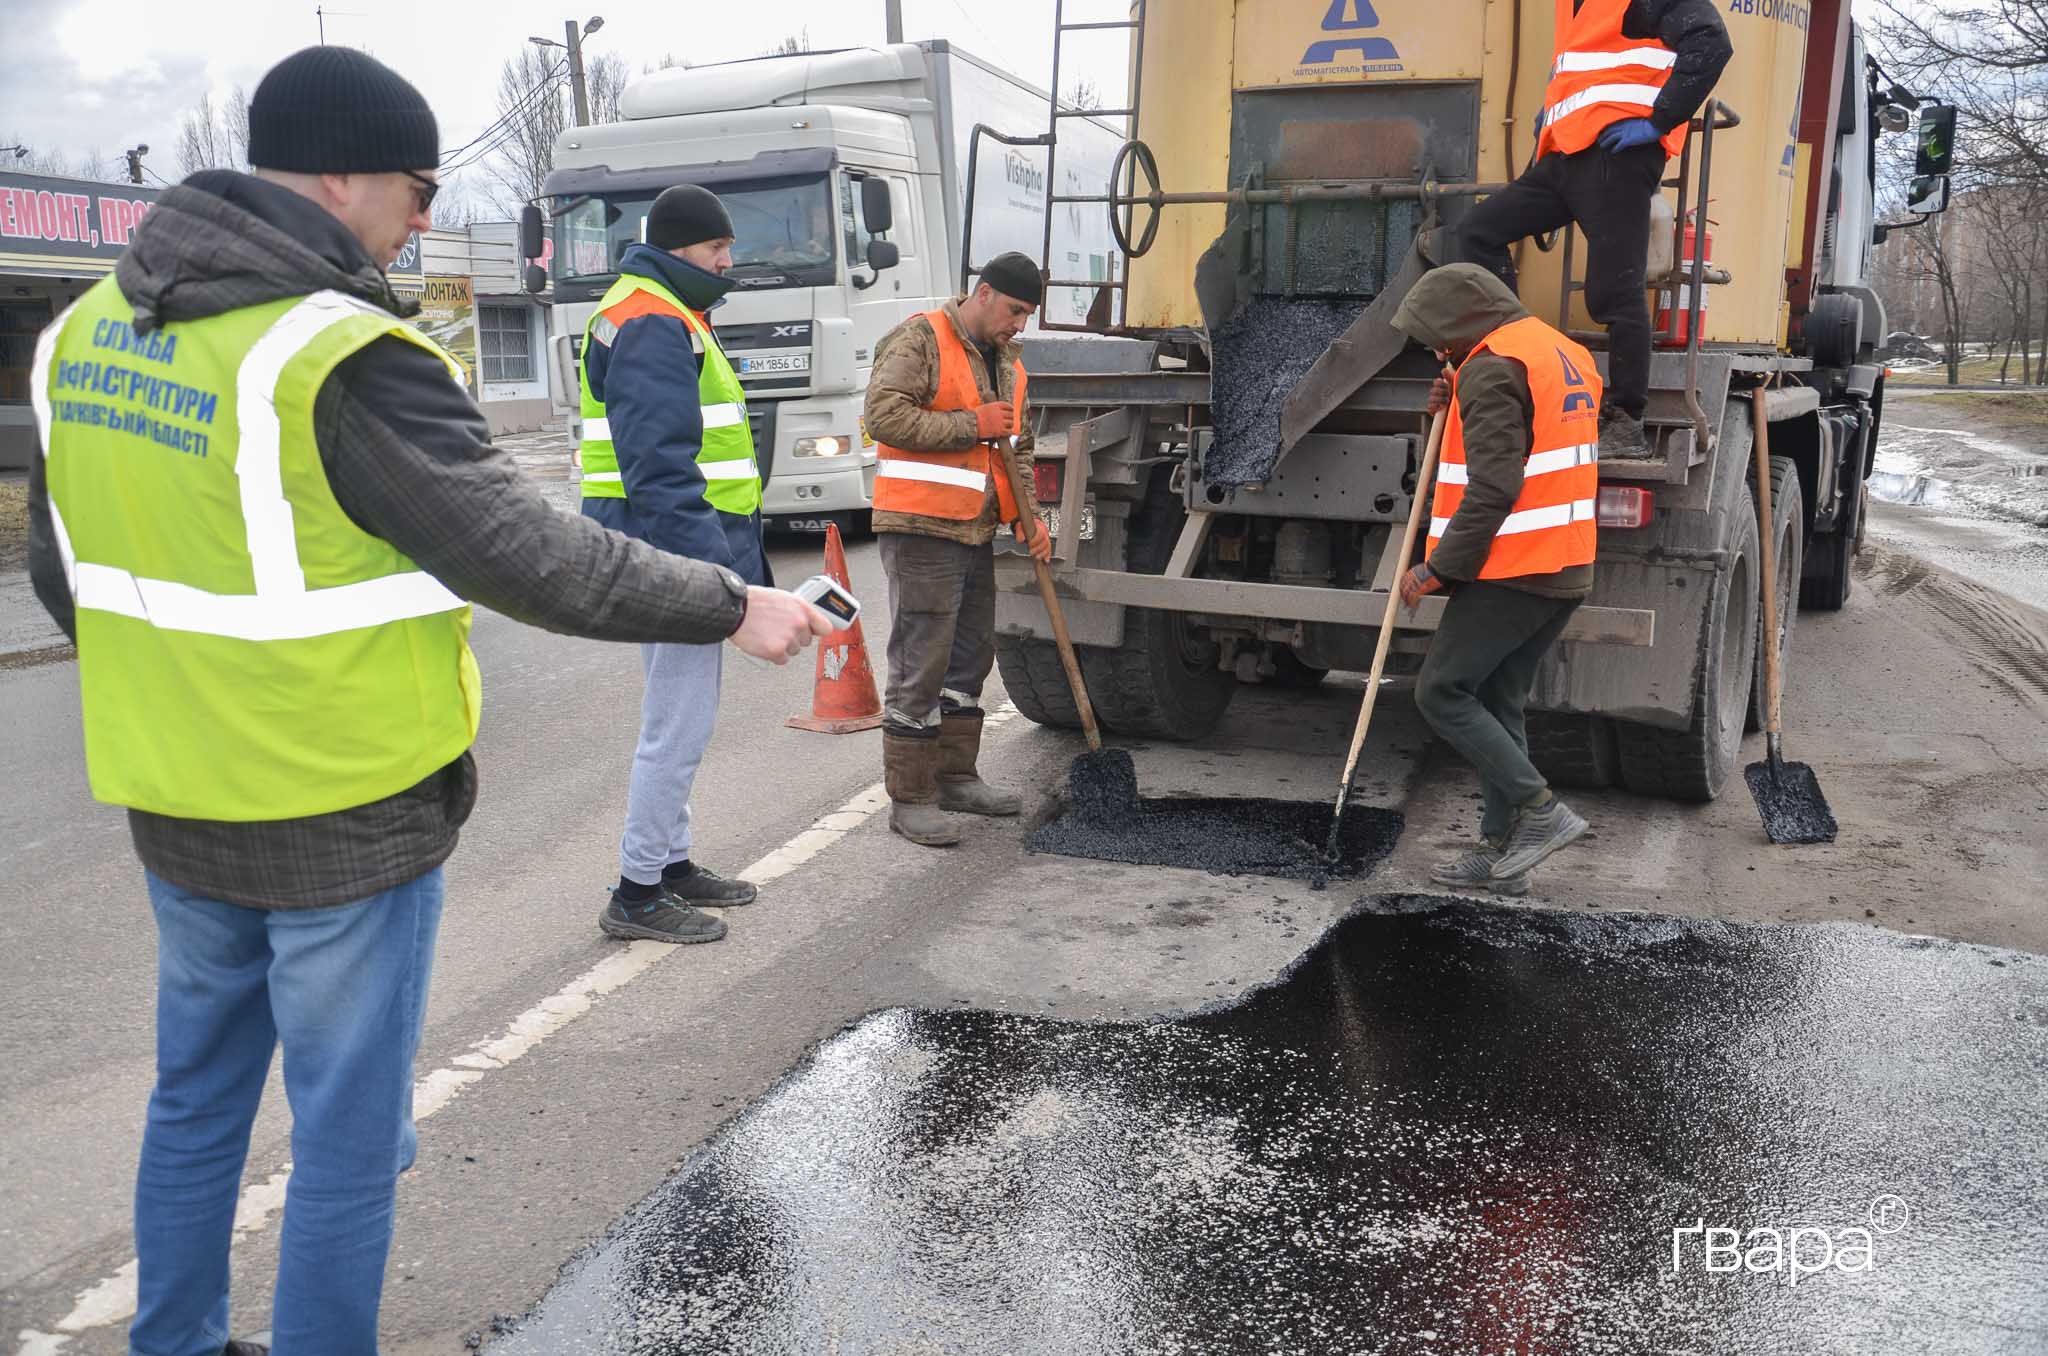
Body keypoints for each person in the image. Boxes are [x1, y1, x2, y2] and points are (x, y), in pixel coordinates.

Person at [25, 46, 830, 1356]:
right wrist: (730, 604)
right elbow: (528, 555)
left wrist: (193, 690)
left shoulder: (84, 335)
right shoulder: (338, 354)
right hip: (344, 810)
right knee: (349, 1144)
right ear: (342, 175)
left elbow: (66, 580)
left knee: (196, 1105)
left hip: (172, 795)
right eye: (418, 188)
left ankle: (173, 1342)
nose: (420, 219)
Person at [578, 184, 770, 944]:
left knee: (677, 714)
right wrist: (717, 583)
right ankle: (636, 892)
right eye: (717, 248)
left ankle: (671, 864)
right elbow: (659, 469)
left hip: (660, 542)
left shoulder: (659, 308)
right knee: (678, 725)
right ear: (679, 246)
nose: (727, 262)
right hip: (671, 550)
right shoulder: (654, 318)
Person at [1390, 263, 1601, 894]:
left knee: (1442, 692)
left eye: (1436, 336)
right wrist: (1452, 403)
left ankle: (1541, 811)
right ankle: (1501, 853)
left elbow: (1494, 486)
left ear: (1462, 320)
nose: (1434, 350)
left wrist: (1438, 568)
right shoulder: (1558, 352)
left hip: (1515, 567)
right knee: (1498, 698)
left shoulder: (1490, 368)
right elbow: (1525, 440)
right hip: (1566, 560)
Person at [1455, 0, 1732, 457]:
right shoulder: (1572, 7)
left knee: (1614, 293)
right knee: (1477, 232)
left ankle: (1626, 421)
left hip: (1616, 155)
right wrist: (1550, 118)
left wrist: (1659, 121)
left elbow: (1712, 42)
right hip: (1563, 157)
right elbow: (1583, 75)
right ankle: (1516, 361)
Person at [862, 252, 1052, 847]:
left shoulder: (1010, 367)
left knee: (970, 659)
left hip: (975, 531)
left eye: (1028, 315)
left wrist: (1029, 517)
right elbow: (882, 416)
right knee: (922, 660)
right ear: (983, 293)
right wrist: (972, 424)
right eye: (1015, 310)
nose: (1019, 324)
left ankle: (955, 777)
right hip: (921, 528)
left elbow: (1018, 449)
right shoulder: (921, 339)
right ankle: (911, 797)